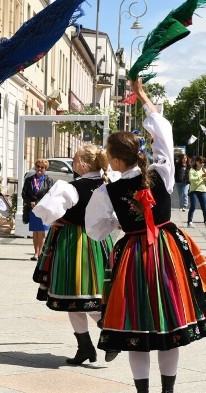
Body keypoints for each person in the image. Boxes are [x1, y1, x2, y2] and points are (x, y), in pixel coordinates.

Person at [86, 78, 206, 393]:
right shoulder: (162, 171)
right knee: (171, 326)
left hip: (134, 254)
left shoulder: (107, 191)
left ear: (116, 160)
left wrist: (119, 225)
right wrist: (146, 100)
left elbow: (95, 229)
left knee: (137, 330)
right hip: (168, 251)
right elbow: (164, 134)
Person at [31, 144, 116, 365]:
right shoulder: (107, 184)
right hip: (101, 242)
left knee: (78, 296)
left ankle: (109, 332)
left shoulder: (70, 188)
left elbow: (47, 214)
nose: (73, 160)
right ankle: (85, 346)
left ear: (84, 164)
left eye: (76, 158)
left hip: (75, 243)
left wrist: (59, 219)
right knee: (81, 299)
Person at [22, 158, 53, 260]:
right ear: (35, 167)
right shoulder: (29, 180)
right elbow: (24, 193)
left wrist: (39, 203)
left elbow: (50, 195)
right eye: (38, 166)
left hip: (42, 209)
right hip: (32, 209)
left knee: (42, 232)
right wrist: (29, 202)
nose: (40, 169)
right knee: (35, 232)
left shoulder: (49, 180)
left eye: (42, 167)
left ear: (45, 169)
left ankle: (40, 254)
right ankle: (36, 253)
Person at [187, 156, 206, 227]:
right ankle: (189, 222)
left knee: (205, 207)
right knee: (193, 206)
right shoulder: (192, 170)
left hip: (202, 190)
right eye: (200, 162)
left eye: (203, 162)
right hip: (194, 190)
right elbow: (191, 179)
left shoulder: (205, 170)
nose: (202, 164)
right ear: (196, 162)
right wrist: (201, 176)